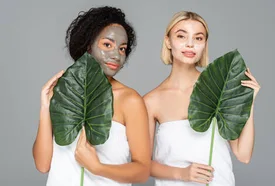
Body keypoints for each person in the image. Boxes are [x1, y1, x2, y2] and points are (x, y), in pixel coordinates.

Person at [32, 6, 151, 185]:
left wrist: (98, 168)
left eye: (122, 49)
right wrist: (45, 108)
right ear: (88, 46)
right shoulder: (65, 92)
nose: (116, 55)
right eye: (107, 45)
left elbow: (142, 171)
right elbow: (42, 165)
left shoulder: (130, 100)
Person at [144, 11, 260, 185]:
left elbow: (243, 155)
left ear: (204, 44)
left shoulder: (219, 89)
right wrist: (182, 173)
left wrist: (247, 102)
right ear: (168, 41)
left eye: (198, 38)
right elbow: (142, 166)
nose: (190, 44)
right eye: (181, 36)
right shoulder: (151, 101)